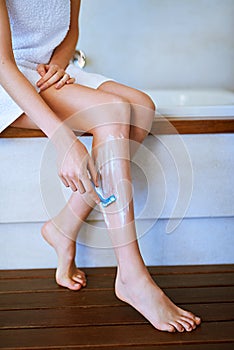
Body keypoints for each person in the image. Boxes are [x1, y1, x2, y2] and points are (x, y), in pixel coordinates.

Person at [0, 0, 201, 333]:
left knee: (142, 108)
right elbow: (3, 64)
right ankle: (132, 276)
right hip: (7, 79)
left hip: (43, 72)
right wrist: (64, 140)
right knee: (112, 112)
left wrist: (60, 63)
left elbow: (69, 29)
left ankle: (64, 226)